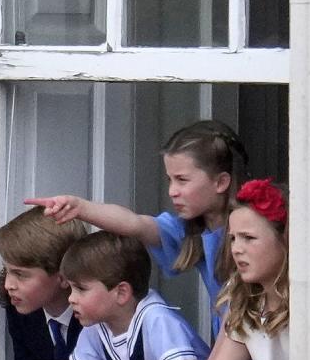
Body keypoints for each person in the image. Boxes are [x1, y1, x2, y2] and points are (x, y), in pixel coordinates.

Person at [26, 120, 250, 342]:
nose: (172, 191)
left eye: (182, 180)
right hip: (232, 357)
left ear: (221, 182)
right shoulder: (191, 229)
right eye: (169, 180)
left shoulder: (254, 232)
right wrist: (80, 207)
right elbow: (135, 224)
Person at [120, 179, 289, 360]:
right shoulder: (244, 298)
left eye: (249, 238)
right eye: (232, 238)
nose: (236, 249)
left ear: (285, 240)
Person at [57, 231, 210, 360]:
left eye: (81, 289)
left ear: (122, 293)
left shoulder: (158, 320)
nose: (71, 298)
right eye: (71, 289)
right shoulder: (96, 325)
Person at [0, 206, 88, 360]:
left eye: (20, 274)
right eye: (7, 271)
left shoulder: (97, 314)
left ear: (62, 277)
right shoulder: (19, 307)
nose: (8, 285)